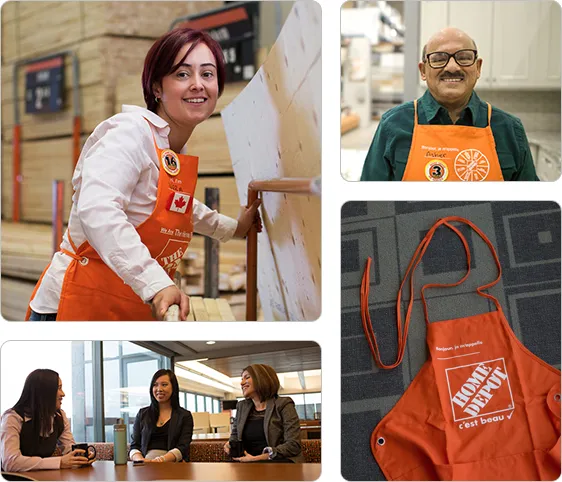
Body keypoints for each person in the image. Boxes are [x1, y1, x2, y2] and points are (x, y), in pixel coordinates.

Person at [25, 28, 262, 321]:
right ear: (156, 88)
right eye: (182, 74)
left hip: (123, 303)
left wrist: (233, 228)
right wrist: (156, 282)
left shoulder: (169, 146)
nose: (198, 85)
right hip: (77, 301)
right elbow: (98, 209)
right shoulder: (130, 132)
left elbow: (174, 205)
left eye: (208, 74)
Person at [361, 27, 538, 181]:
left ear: (478, 68)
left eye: (464, 57)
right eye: (439, 58)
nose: (452, 67)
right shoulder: (392, 125)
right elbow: (367, 202)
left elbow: (533, 205)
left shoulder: (510, 130)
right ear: (423, 70)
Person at [0, 369, 93, 472]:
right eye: (59, 388)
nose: (63, 394)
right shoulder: (12, 417)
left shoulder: (59, 416)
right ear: (44, 392)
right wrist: (59, 462)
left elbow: (68, 448)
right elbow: (10, 462)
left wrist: (79, 456)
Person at [223, 364, 304, 463]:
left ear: (262, 379)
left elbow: (293, 445)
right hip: (245, 461)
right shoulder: (242, 406)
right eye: (241, 379)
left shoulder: (284, 404)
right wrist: (230, 444)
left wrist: (257, 458)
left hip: (276, 460)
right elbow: (235, 435)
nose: (242, 383)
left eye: (247, 377)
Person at [129, 369, 193, 462]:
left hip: (172, 465)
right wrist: (140, 460)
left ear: (173, 387)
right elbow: (134, 445)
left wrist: (161, 460)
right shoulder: (142, 414)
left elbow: (183, 447)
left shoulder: (184, 416)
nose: (159, 389)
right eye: (155, 385)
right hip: (144, 466)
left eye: (164, 385)